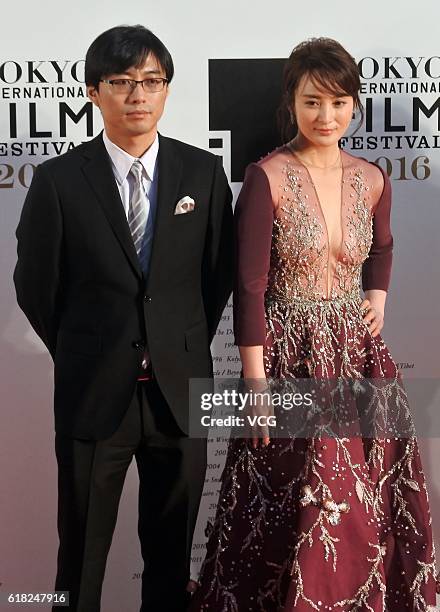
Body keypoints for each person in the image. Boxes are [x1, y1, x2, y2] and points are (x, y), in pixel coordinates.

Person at [188, 38, 437, 611]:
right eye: (312, 102)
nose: (327, 117)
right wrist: (255, 387)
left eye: (339, 102)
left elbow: (384, 249)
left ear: (355, 105)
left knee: (361, 501)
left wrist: (376, 298)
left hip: (358, 359)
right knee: (290, 501)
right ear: (292, 104)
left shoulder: (372, 178)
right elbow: (248, 287)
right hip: (288, 361)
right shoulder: (266, 176)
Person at [13, 24, 233, 612]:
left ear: (166, 91)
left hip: (180, 393)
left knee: (170, 557)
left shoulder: (202, 175)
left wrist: (171, 345)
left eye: (152, 82)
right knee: (79, 557)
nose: (139, 94)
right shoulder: (59, 180)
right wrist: (86, 348)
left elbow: (216, 280)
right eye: (122, 82)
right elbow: (34, 285)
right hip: (93, 392)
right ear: (93, 91)